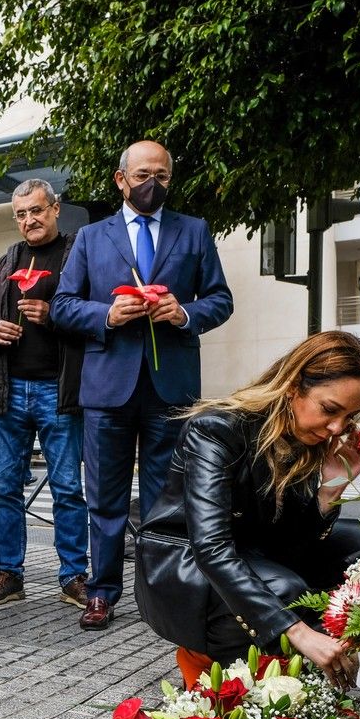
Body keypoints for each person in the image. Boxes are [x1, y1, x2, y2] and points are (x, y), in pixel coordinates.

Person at [51, 140, 234, 631]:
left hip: (170, 386)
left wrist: (186, 313)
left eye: (162, 175)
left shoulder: (193, 231)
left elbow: (220, 299)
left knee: (166, 498)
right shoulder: (90, 237)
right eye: (142, 175)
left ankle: (162, 595)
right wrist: (106, 313)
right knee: (104, 496)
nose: (152, 183)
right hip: (108, 386)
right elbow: (62, 306)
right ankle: (102, 591)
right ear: (121, 179)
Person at [134, 331, 360, 690]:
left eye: (350, 416)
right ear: (294, 386)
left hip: (252, 550)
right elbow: (212, 547)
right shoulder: (216, 429)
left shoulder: (306, 436)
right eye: (330, 409)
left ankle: (329, 649)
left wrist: (332, 485)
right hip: (184, 564)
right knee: (286, 587)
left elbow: (295, 541)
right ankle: (214, 661)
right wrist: (295, 629)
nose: (337, 428)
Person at [0, 178, 88, 610]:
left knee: (66, 488)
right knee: (3, 486)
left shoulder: (78, 254)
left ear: (55, 209)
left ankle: (73, 576)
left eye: (37, 211)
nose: (29, 220)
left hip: (58, 391)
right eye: (21, 214)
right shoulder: (5, 262)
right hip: (9, 390)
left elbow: (94, 315)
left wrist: (52, 314)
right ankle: (8, 573)